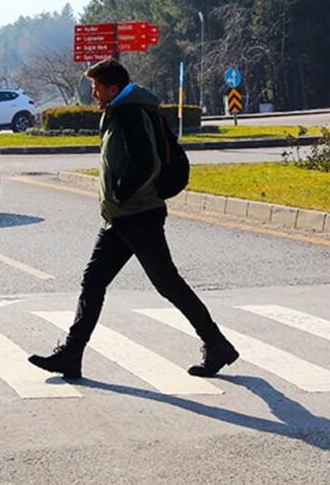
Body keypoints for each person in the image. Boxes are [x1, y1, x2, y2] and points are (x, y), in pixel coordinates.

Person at [28, 58, 238, 380]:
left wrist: (121, 194)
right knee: (94, 280)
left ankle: (216, 343)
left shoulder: (128, 113)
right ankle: (72, 354)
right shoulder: (120, 110)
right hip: (121, 217)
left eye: (96, 89)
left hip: (137, 215)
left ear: (113, 88)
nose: (93, 95)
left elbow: (146, 162)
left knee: (168, 284)